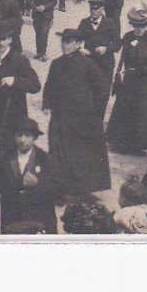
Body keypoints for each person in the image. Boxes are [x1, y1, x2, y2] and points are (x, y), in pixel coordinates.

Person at [42, 28, 111, 200]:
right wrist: (46, 103)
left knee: (79, 153)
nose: (64, 45)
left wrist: (94, 111)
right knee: (57, 150)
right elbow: (49, 86)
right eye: (63, 41)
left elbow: (102, 88)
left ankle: (80, 189)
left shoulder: (88, 64)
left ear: (78, 44)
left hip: (81, 119)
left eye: (69, 42)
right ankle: (59, 188)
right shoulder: (56, 63)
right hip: (59, 117)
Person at [0, 23, 41, 163]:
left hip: (10, 113)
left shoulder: (19, 60)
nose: (0, 43)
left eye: (3, 39)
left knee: (7, 152)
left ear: (10, 40)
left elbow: (35, 85)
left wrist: (15, 81)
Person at [107, 7, 147, 154]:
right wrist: (119, 73)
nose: (138, 29)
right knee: (124, 109)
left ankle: (136, 146)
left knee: (140, 112)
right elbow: (123, 57)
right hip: (129, 81)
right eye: (136, 26)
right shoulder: (128, 37)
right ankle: (120, 143)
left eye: (142, 26)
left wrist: (139, 70)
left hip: (145, 83)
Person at [0, 117, 62, 234]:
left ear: (34, 138)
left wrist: (38, 184)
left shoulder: (45, 159)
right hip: (12, 222)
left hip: (40, 221)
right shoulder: (5, 159)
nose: (22, 140)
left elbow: (59, 191)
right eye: (19, 135)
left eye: (27, 135)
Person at [77, 0, 121, 118]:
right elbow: (76, 40)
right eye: (91, 8)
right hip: (89, 64)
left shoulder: (110, 23)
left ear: (102, 10)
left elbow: (118, 43)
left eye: (96, 9)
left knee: (102, 95)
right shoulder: (84, 23)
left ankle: (98, 124)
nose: (93, 11)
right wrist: (80, 49)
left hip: (105, 66)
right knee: (87, 94)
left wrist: (106, 49)